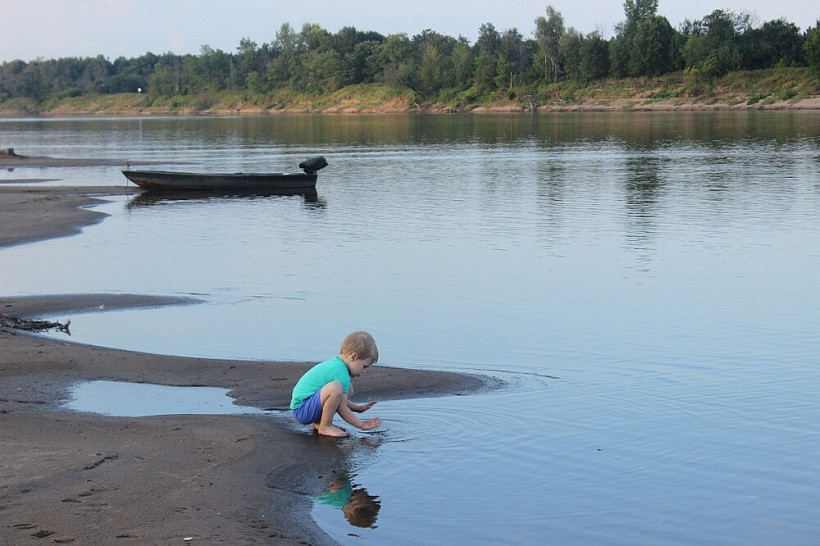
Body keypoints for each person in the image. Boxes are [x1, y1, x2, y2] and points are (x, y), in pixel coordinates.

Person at [290, 331, 381, 437]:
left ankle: (319, 423)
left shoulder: (337, 365)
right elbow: (342, 407)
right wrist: (361, 424)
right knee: (335, 388)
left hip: (306, 407)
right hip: (302, 410)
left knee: (347, 389)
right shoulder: (340, 372)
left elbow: (340, 400)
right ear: (353, 356)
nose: (364, 371)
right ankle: (325, 426)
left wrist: (357, 408)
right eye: (364, 366)